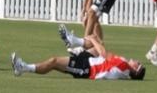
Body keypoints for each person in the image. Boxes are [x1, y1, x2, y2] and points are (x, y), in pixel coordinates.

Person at [11, 32, 145, 81]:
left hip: (87, 69)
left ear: (135, 70)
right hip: (90, 62)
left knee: (53, 61)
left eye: (138, 64)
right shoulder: (124, 67)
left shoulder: (124, 65)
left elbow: (104, 54)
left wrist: (93, 41)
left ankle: (22, 68)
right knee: (98, 42)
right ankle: (75, 42)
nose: (137, 61)